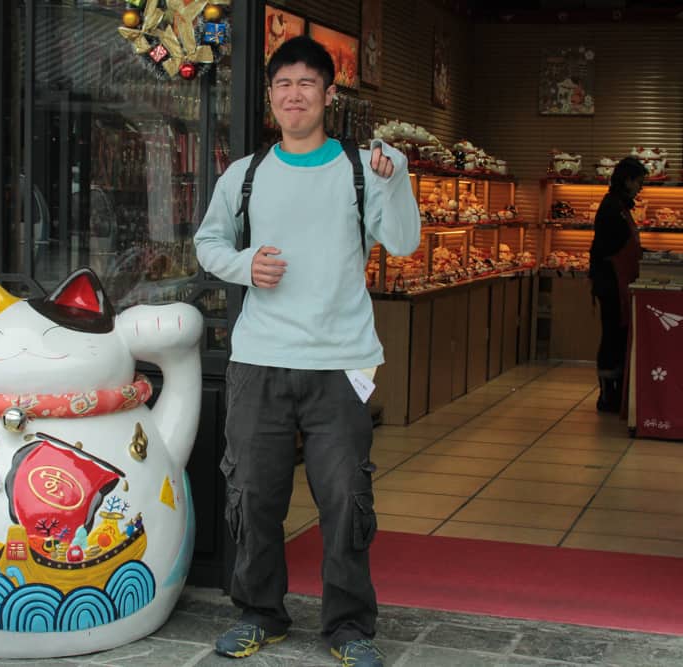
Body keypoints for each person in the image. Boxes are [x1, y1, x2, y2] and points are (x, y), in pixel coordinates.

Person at [193, 36, 420, 667]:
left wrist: (397, 178)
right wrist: (244, 265)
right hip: (258, 361)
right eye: (283, 85)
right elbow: (207, 243)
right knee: (254, 496)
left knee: (346, 497)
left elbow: (402, 242)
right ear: (270, 97)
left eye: (307, 84)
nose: (294, 95)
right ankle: (260, 612)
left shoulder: (359, 169)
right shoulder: (245, 174)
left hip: (341, 363)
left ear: (329, 94)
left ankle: (348, 626)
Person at [588, 156, 647, 412]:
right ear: (627, 180)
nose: (640, 187)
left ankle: (616, 392)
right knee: (612, 336)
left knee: (617, 335)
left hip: (618, 282)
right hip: (611, 284)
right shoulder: (612, 209)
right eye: (638, 182)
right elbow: (608, 250)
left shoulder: (620, 205)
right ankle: (607, 394)